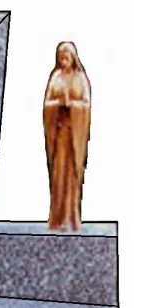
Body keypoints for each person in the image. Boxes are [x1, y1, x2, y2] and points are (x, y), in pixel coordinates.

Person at [43, 41, 91, 231]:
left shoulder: (80, 78)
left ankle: (71, 217)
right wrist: (58, 104)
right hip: (60, 133)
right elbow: (47, 104)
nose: (64, 62)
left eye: (67, 58)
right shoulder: (56, 77)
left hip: (75, 134)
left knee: (72, 175)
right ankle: (57, 217)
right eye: (61, 58)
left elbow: (86, 104)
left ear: (73, 58)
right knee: (59, 175)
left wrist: (72, 105)